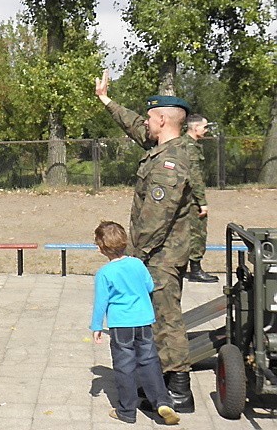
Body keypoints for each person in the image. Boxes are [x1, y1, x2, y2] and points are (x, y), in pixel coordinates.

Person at [95, 70, 195, 413]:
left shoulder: (170, 161)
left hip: (162, 254)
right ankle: (161, 384)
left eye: (152, 117)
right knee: (157, 319)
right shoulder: (164, 145)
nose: (147, 123)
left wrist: (130, 258)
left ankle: (179, 389)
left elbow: (156, 217)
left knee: (167, 319)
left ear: (164, 119)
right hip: (159, 252)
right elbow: (136, 126)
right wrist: (106, 99)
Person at [91, 221, 180, 425]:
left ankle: (127, 410)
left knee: (124, 366)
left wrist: (96, 326)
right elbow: (149, 286)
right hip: (144, 321)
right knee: (149, 361)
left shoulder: (105, 273)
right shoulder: (137, 264)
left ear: (101, 248)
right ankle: (162, 401)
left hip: (121, 325)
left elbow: (100, 302)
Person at [183, 114, 217, 282]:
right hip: (191, 199)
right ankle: (195, 270)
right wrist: (202, 202)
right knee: (197, 233)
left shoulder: (188, 144)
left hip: (185, 197)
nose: (206, 130)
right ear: (195, 128)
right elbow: (194, 177)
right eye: (204, 127)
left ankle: (185, 268)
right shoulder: (190, 147)